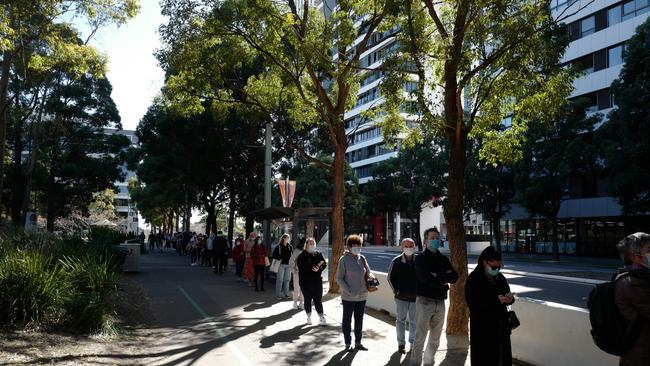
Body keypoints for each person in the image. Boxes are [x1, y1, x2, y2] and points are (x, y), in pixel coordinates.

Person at [410, 227, 458, 366]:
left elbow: (454, 277)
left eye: (437, 238)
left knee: (435, 338)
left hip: (441, 302)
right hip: (424, 301)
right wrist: (443, 281)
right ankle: (415, 363)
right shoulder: (420, 259)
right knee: (420, 337)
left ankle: (428, 362)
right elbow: (424, 279)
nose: (435, 240)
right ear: (425, 241)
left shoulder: (443, 259)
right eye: (432, 238)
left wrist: (437, 276)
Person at [465, 246, 515, 366]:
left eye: (499, 267)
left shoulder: (499, 277)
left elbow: (507, 294)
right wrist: (495, 300)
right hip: (483, 327)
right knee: (485, 358)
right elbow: (473, 303)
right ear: (484, 263)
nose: (497, 269)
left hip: (501, 325)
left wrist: (510, 299)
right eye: (494, 267)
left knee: (503, 357)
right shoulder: (474, 279)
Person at [615, 232, 650, 366]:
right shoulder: (633, 283)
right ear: (635, 257)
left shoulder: (641, 278)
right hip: (641, 355)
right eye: (649, 250)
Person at [336, 234, 373, 351]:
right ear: (349, 247)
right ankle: (348, 343)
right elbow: (339, 278)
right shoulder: (344, 259)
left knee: (359, 320)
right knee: (347, 320)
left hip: (362, 296)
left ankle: (358, 342)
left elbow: (368, 271)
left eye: (359, 245)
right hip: (348, 297)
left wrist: (371, 276)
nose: (357, 247)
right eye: (354, 245)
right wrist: (349, 291)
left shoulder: (362, 258)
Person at [388, 238, 418, 354]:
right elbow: (390, 278)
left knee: (414, 322)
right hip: (401, 298)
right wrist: (396, 291)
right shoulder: (396, 261)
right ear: (402, 247)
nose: (408, 248)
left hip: (416, 298)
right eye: (406, 246)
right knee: (400, 321)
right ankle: (401, 344)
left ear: (414, 247)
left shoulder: (419, 260)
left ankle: (413, 343)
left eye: (411, 246)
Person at [297, 237, 327, 326]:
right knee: (308, 299)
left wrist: (319, 268)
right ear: (306, 245)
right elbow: (301, 267)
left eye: (313, 243)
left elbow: (324, 263)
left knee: (318, 300)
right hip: (305, 282)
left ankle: (321, 317)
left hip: (317, 281)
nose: (312, 245)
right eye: (310, 243)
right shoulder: (301, 255)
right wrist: (311, 268)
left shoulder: (318, 254)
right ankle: (308, 316)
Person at [272, 233, 293, 300]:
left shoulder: (290, 246)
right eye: (287, 238)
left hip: (288, 265)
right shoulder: (278, 247)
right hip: (281, 265)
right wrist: (280, 257)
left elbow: (292, 255)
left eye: (289, 238)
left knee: (287, 280)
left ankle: (286, 294)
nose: (288, 239)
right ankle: (277, 295)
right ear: (283, 238)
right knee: (279, 280)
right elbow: (274, 255)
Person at [289, 237, 306, 309]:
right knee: (296, 288)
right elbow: (291, 261)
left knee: (303, 288)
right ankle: (295, 302)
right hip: (297, 273)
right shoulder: (297, 251)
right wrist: (294, 270)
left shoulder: (308, 251)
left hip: (305, 273)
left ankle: (301, 302)